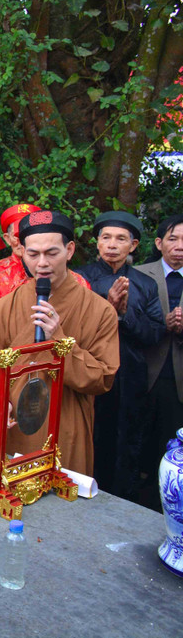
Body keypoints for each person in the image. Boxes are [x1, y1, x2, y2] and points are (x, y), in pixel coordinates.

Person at [0, 211, 120, 474]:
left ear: (70, 250)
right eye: (33, 254)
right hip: (13, 427)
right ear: (21, 252)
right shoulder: (4, 307)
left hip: (65, 427)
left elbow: (102, 378)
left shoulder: (99, 310)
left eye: (51, 253)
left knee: (60, 511)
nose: (42, 263)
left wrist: (60, 341)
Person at [75, 211, 164, 499]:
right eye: (106, 237)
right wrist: (106, 307)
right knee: (91, 434)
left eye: (121, 239)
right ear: (97, 243)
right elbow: (72, 327)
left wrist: (123, 315)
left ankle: (122, 498)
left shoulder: (145, 284)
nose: (112, 244)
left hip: (130, 373)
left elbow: (154, 334)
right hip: (89, 369)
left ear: (133, 246)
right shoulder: (80, 278)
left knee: (127, 438)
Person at [136, 214, 183, 506]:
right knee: (139, 439)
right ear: (158, 242)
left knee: (172, 442)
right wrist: (159, 323)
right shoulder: (139, 273)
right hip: (144, 370)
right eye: (173, 238)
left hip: (178, 379)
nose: (179, 247)